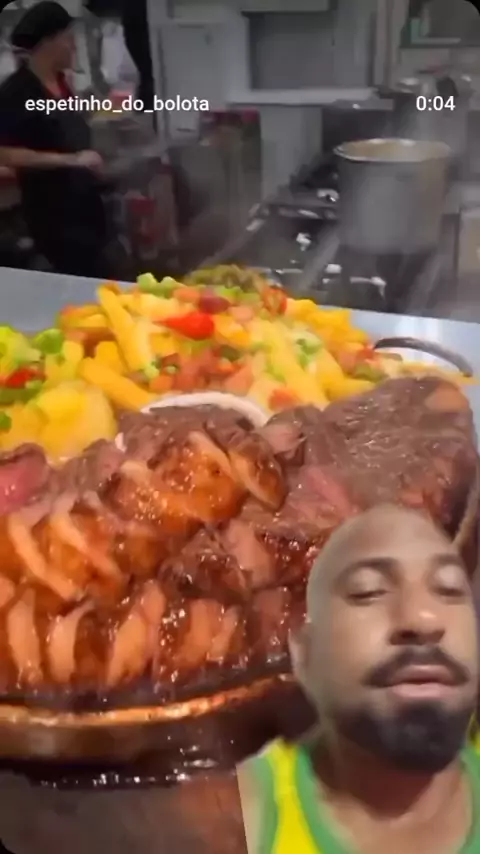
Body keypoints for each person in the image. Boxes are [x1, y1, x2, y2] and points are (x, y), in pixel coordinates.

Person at [238, 504, 480, 854]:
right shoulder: (242, 816)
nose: (423, 618)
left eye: (449, 589)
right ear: (304, 653)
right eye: (369, 591)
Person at [0, 1, 128, 279]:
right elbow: (6, 153)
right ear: (49, 41)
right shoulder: (17, 92)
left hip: (85, 210)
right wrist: (72, 160)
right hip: (54, 220)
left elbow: (65, 132)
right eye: (69, 39)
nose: (74, 47)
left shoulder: (62, 85)